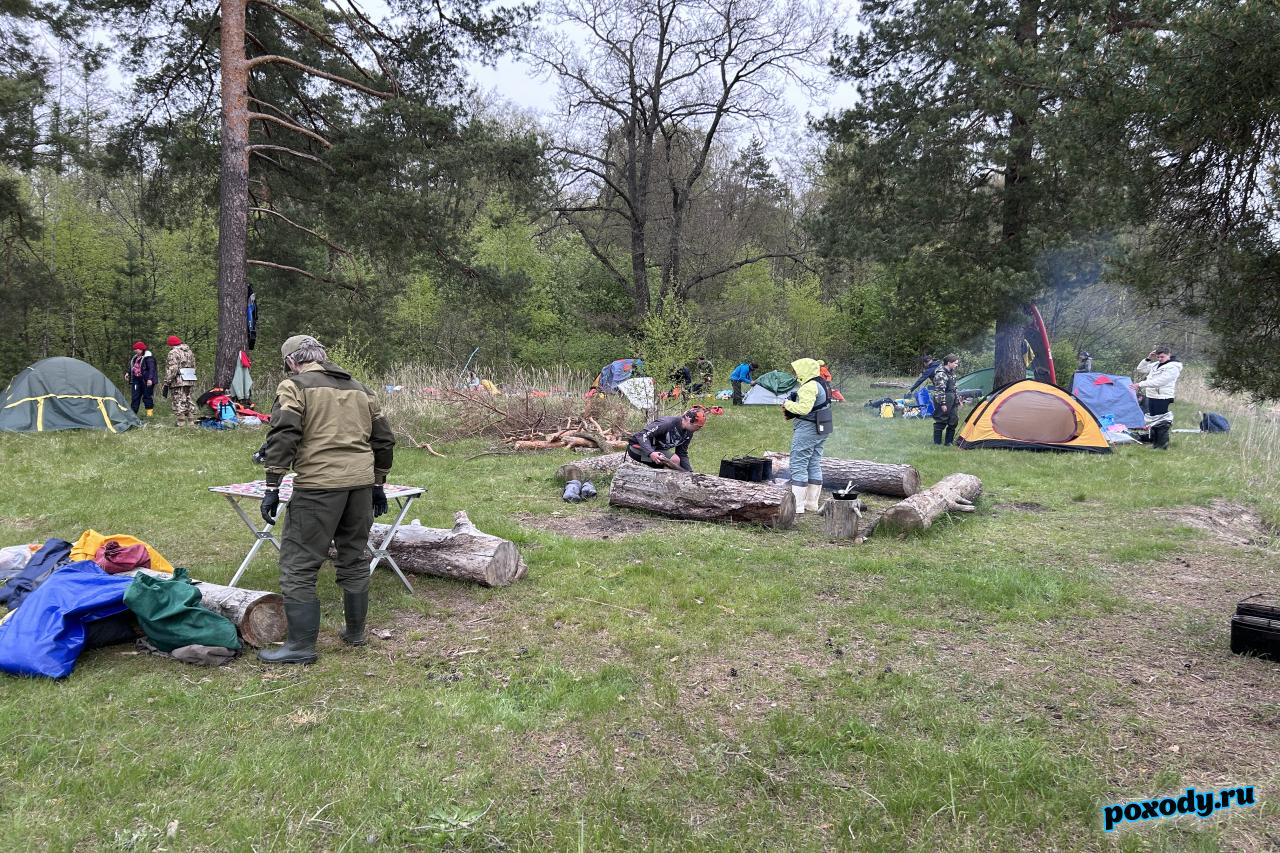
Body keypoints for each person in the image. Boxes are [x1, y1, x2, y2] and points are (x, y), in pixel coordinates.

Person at [256, 334, 396, 664]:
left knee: (299, 565)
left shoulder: (294, 386)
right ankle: (355, 633)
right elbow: (384, 440)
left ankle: (301, 647)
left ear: (291, 361)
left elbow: (284, 435)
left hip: (318, 486)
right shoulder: (359, 388)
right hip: (360, 486)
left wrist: (271, 486)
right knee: (354, 557)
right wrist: (378, 483)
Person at [783, 358, 833, 514]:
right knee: (814, 462)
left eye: (797, 371)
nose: (796, 374)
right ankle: (811, 503)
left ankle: (797, 506)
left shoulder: (809, 386)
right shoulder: (822, 383)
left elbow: (804, 409)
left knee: (799, 463)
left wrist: (787, 404)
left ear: (804, 370)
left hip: (808, 428)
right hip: (823, 426)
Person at [1131, 346, 1182, 450]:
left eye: (1162, 357)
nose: (1159, 359)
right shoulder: (1156, 365)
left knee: (1162, 421)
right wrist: (1148, 358)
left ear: (1169, 355)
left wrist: (1140, 384)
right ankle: (1154, 441)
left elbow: (1160, 381)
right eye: (1158, 357)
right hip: (1152, 395)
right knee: (1153, 420)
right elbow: (1140, 369)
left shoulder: (1173, 367)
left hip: (1163, 396)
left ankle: (1162, 445)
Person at [627, 407, 707, 471]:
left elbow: (682, 453)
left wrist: (689, 472)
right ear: (690, 421)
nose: (698, 429)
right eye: (698, 426)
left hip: (654, 450)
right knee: (674, 460)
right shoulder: (666, 423)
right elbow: (642, 436)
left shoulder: (688, 432)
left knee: (680, 468)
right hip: (637, 448)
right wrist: (651, 453)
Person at [162, 335, 198, 426]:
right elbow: (194, 365)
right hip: (190, 378)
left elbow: (173, 368)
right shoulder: (189, 351)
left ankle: (180, 422)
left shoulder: (173, 352)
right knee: (188, 399)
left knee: (178, 400)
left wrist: (167, 381)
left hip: (178, 380)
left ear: (171, 344)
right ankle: (191, 422)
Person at [930, 354, 962, 446]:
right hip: (943, 398)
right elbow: (940, 390)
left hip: (952, 398)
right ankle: (937, 443)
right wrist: (943, 403)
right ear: (949, 363)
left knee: (954, 420)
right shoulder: (940, 374)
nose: (957, 365)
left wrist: (958, 399)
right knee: (941, 419)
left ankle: (948, 442)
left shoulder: (951, 373)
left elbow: (954, 387)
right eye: (955, 363)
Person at [125, 341, 158, 417]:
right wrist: (128, 373)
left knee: (147, 396)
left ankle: (149, 414)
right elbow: (132, 367)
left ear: (141, 349)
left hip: (146, 380)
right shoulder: (135, 358)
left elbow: (152, 369)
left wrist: (150, 379)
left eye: (136, 349)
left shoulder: (149, 358)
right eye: (135, 349)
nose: (135, 350)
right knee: (135, 397)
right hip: (136, 380)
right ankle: (133, 415)